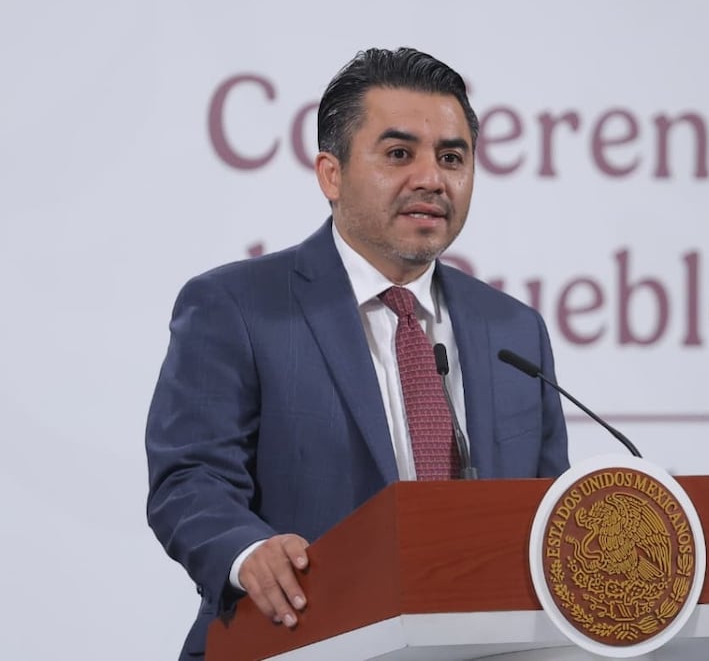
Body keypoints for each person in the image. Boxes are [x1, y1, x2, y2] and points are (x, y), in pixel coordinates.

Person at [145, 47, 570, 660]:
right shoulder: (237, 305)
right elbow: (189, 479)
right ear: (330, 174)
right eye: (399, 154)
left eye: (452, 157)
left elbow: (547, 507)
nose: (431, 178)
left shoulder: (514, 330)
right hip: (295, 642)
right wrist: (247, 553)